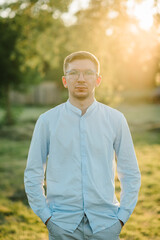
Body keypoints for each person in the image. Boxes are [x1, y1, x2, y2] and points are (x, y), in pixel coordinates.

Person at [24, 51, 141, 240]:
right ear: (64, 80)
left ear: (98, 80)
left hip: (105, 225)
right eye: (73, 73)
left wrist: (121, 219)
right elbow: (33, 173)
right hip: (62, 225)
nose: (80, 79)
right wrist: (47, 219)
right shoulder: (47, 121)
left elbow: (131, 173)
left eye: (88, 73)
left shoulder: (116, 120)